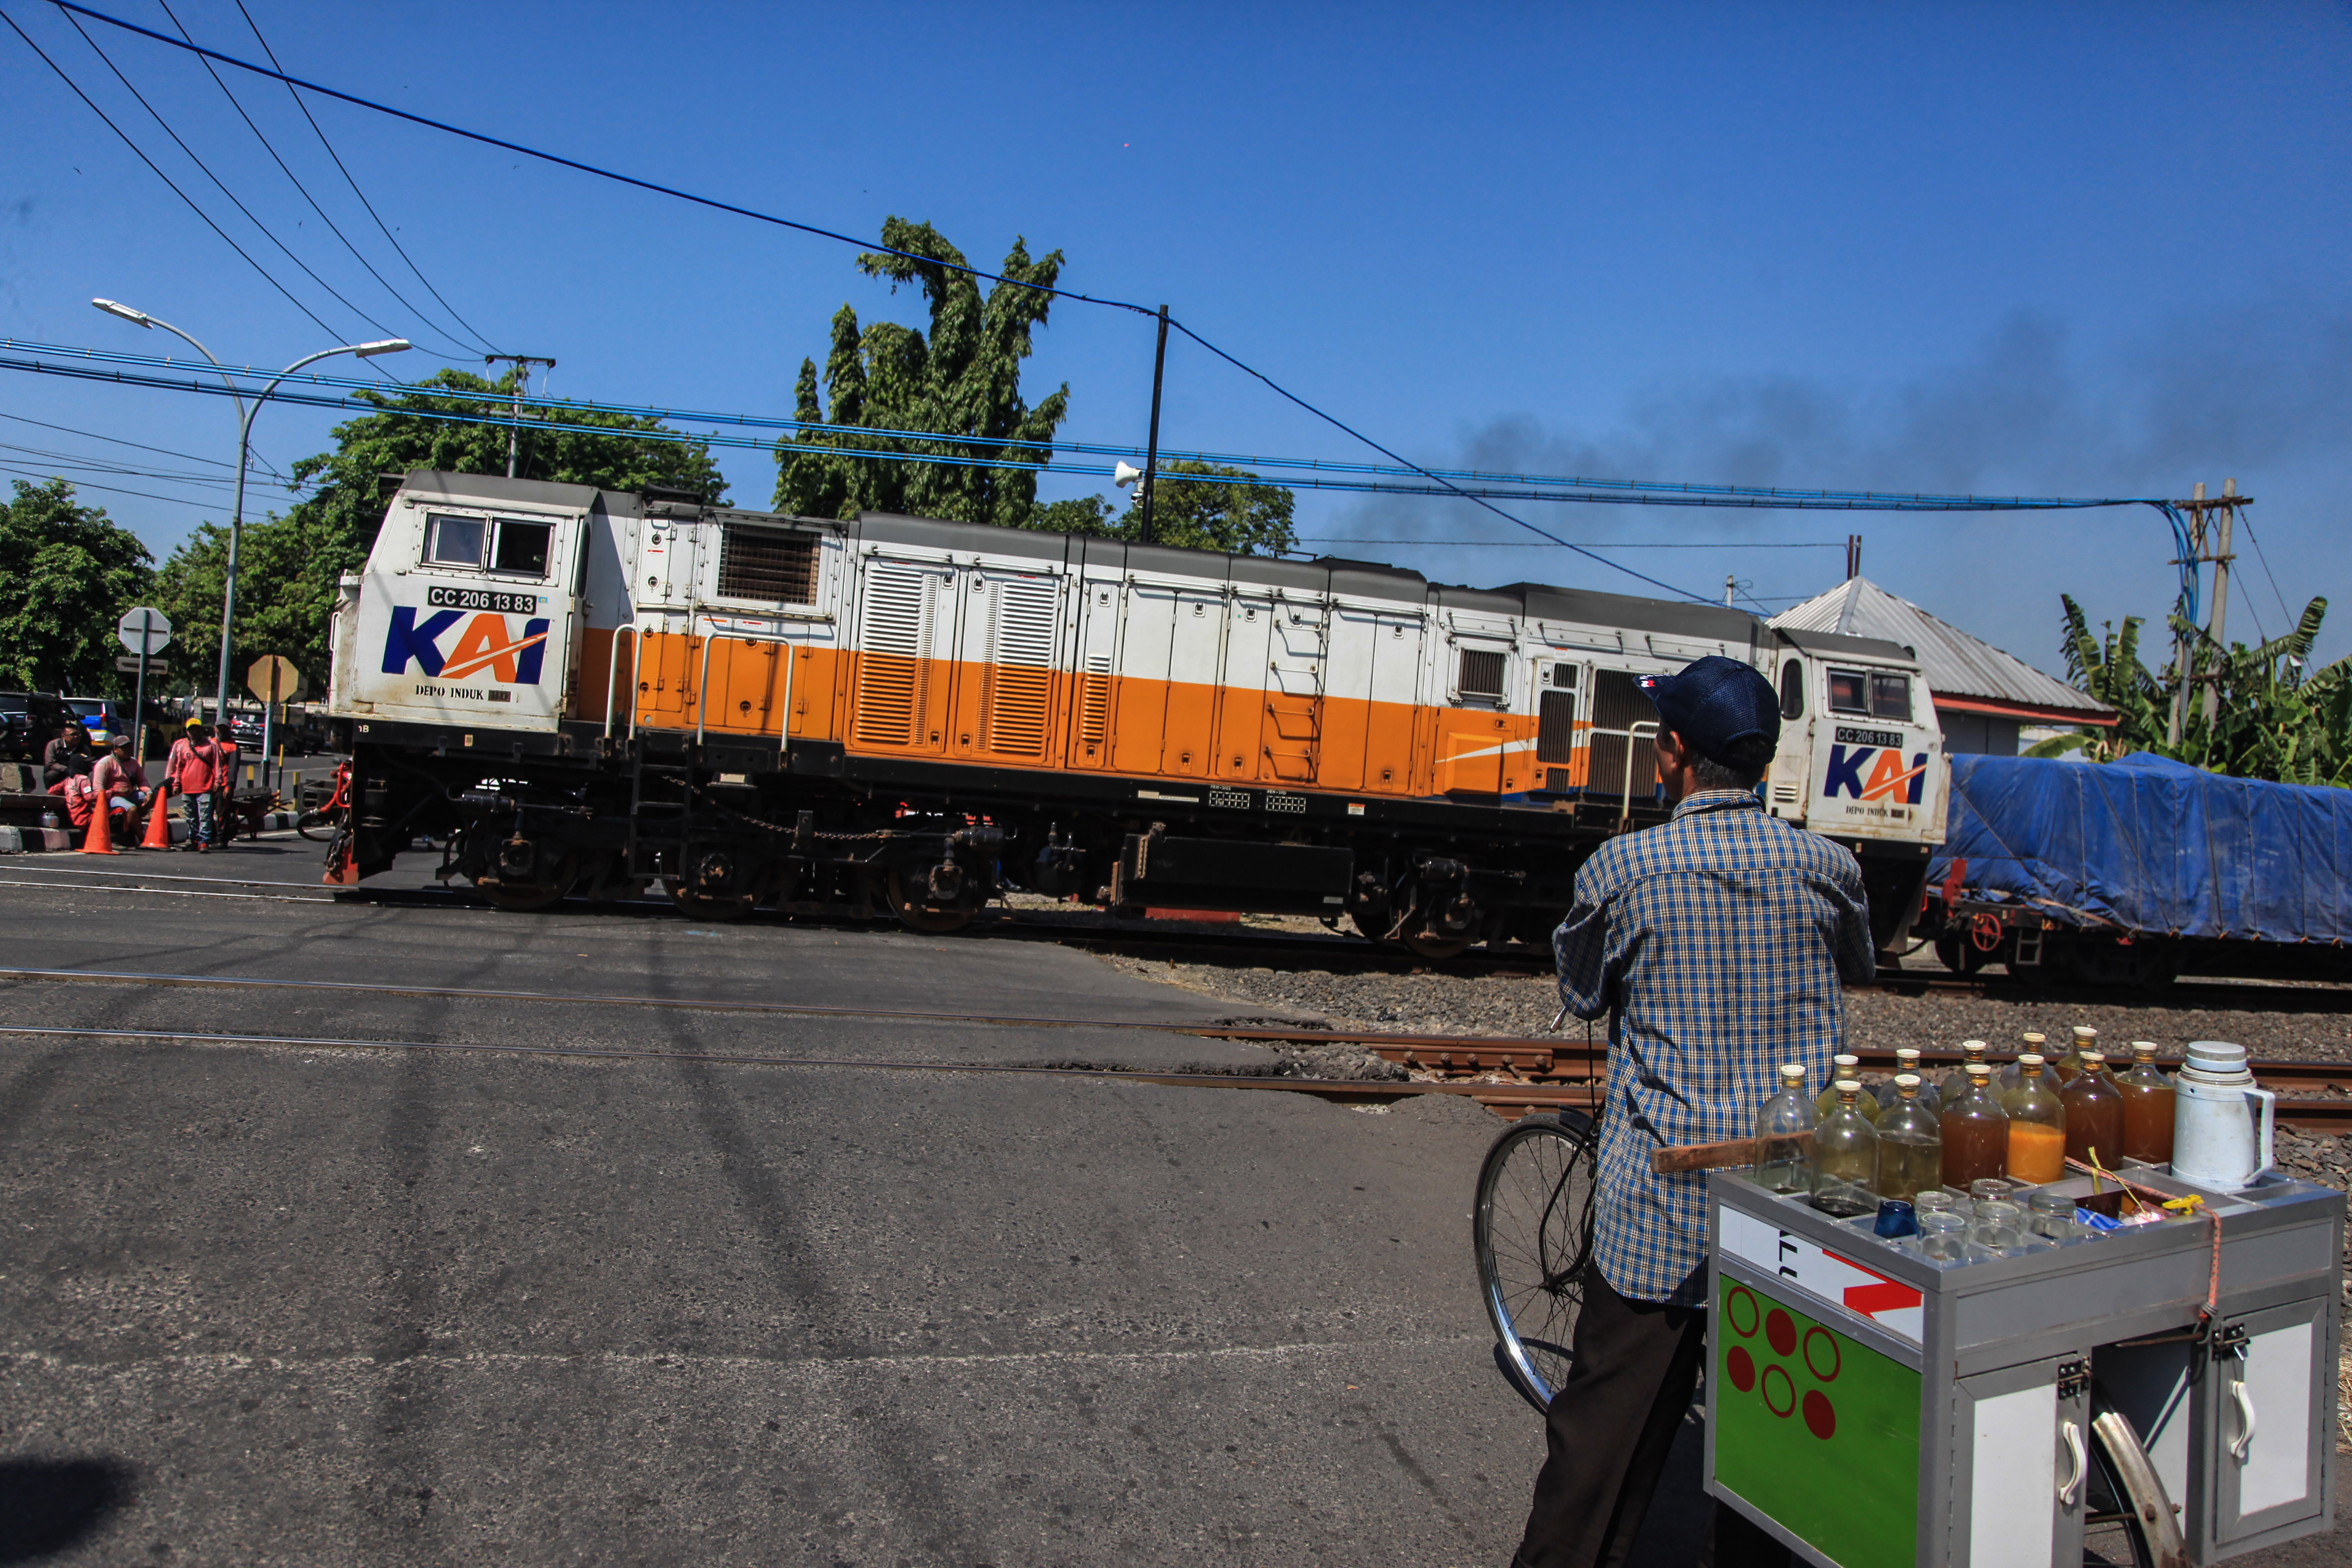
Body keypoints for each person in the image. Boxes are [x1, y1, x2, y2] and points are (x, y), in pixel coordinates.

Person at [1511, 655, 1876, 1568]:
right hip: (1793, 1204)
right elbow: (1859, 964)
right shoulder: (1829, 865)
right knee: (1772, 1452)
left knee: (1597, 1449)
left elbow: (1583, 990)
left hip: (1661, 1210)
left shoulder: (1624, 866)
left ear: (1671, 751)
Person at [166, 718, 227, 852]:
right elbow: (179, 768)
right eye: (191, 730)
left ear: (201, 730)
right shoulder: (182, 746)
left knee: (205, 815)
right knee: (191, 816)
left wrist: (218, 781)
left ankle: (204, 841)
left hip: (205, 787)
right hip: (188, 788)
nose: (194, 732)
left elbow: (218, 765)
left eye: (196, 729)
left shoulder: (211, 746)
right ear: (187, 732)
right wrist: (176, 785)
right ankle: (193, 839)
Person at [88, 733, 151, 835]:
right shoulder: (105, 763)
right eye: (124, 748)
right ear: (115, 749)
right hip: (113, 797)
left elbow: (142, 780)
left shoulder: (134, 763)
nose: (129, 750)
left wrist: (149, 792)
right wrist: (117, 791)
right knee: (132, 809)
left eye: (129, 747)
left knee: (153, 798)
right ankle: (134, 835)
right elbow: (98, 791)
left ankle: (136, 819)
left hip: (130, 794)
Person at [40, 722, 93, 789]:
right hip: (59, 771)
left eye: (78, 734)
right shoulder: (53, 745)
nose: (76, 737)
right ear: (63, 736)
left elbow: (88, 764)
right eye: (73, 735)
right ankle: (53, 793)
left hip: (77, 774)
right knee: (51, 775)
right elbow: (50, 763)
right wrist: (67, 770)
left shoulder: (84, 749)